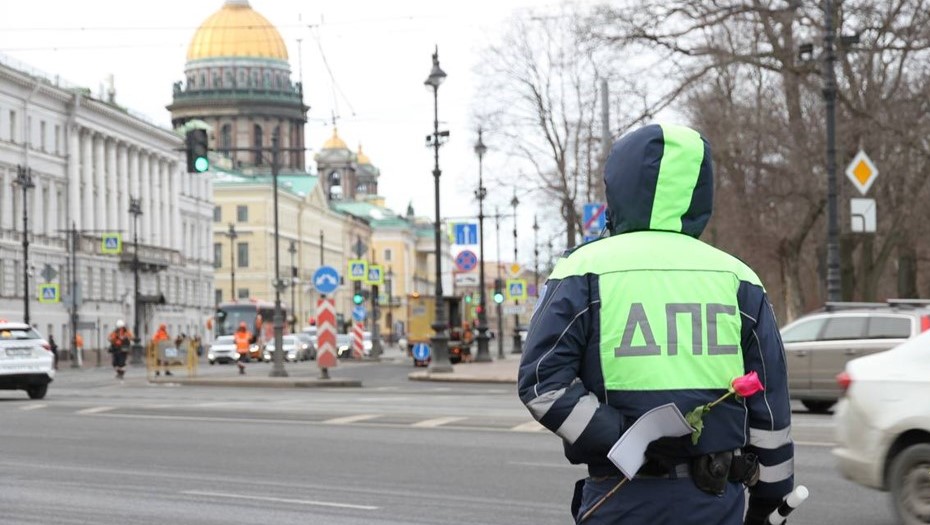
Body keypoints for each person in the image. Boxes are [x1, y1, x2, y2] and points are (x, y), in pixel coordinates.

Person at [517, 124, 793, 525]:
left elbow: (542, 383)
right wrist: (771, 499)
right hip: (715, 502)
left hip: (620, 497)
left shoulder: (584, 269)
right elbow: (769, 406)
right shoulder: (738, 278)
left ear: (619, 184)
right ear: (701, 191)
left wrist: (623, 438)